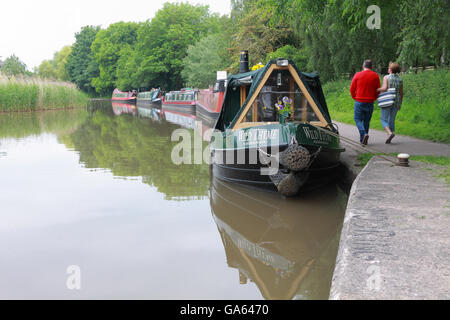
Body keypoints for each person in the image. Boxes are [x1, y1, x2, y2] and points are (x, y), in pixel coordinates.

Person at [350, 60, 381, 145]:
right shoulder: (375, 76)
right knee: (366, 121)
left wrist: (355, 97)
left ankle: (363, 134)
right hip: (370, 102)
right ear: (372, 67)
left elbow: (352, 89)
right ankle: (363, 140)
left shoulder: (357, 75)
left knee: (357, 119)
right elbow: (378, 90)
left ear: (363, 66)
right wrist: (374, 98)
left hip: (359, 101)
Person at [377, 62, 403, 144]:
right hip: (396, 101)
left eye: (389, 68)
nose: (388, 69)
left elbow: (384, 88)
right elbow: (401, 93)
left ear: (391, 70)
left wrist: (376, 89)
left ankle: (389, 133)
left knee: (383, 119)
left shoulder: (386, 77)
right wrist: (400, 104)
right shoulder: (400, 79)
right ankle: (389, 136)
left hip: (387, 100)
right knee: (391, 120)